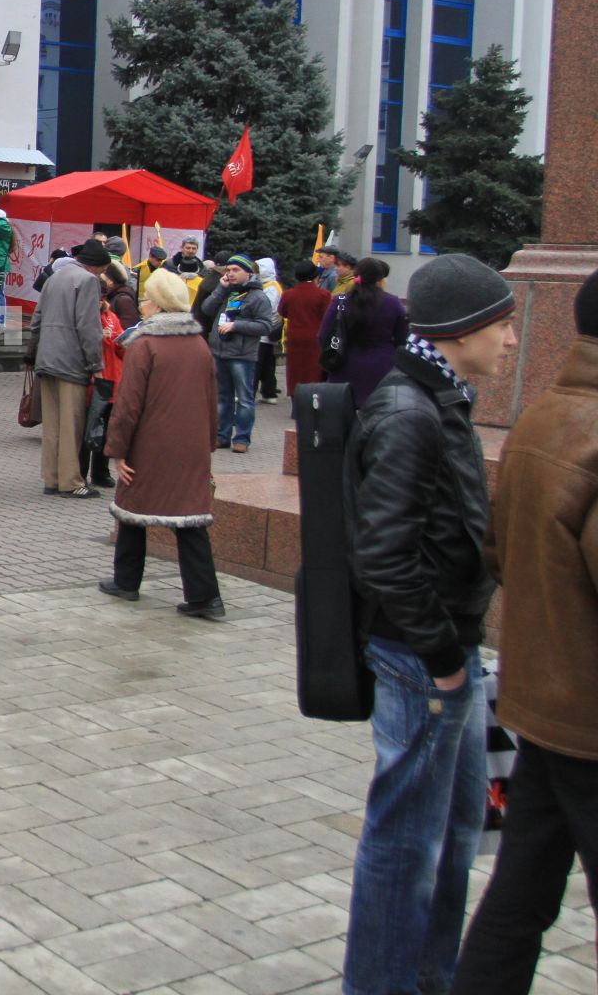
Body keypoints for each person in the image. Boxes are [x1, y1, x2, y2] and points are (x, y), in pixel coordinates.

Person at [342, 254, 518, 995]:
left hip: (447, 653)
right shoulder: (410, 410)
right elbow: (384, 554)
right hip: (423, 657)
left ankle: (425, 978)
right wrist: (445, 657)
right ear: (463, 331)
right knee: (405, 841)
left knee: (450, 837)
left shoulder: (436, 397)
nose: (511, 340)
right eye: (502, 325)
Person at [453, 267, 598, 991]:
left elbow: (499, 552)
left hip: (541, 704)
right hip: (589, 722)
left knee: (520, 895)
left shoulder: (544, 414)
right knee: (520, 893)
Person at [96, 267, 225, 619]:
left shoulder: (146, 344)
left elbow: (128, 403)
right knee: (190, 518)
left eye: (145, 298)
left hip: (150, 445)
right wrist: (209, 443)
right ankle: (205, 596)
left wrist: (117, 449)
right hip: (192, 444)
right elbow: (212, 399)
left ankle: (126, 581)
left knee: (132, 508)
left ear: (156, 304)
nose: (142, 304)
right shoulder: (199, 344)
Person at [29, 239, 108, 497]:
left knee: (51, 423)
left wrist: (36, 352)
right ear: (97, 267)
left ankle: (51, 478)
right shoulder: (88, 281)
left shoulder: (54, 278)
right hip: (71, 360)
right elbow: (88, 326)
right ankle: (71, 482)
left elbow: (36, 320)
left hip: (47, 358)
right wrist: (96, 363)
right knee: (71, 423)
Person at [199, 255, 276, 453]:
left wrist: (236, 325)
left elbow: (266, 325)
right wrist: (220, 288)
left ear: (248, 273)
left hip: (242, 355)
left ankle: (242, 437)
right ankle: (222, 435)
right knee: (222, 397)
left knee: (244, 399)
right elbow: (206, 309)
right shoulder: (226, 292)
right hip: (219, 351)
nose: (230, 274)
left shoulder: (257, 296)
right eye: (229, 270)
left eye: (235, 270)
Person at [320, 256, 408, 408]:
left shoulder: (340, 300)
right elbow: (403, 339)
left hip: (343, 367)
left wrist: (331, 355)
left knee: (341, 421)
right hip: (382, 369)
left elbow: (323, 335)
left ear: (356, 275)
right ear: (381, 279)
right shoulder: (393, 303)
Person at [78, 286, 127, 490]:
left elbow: (122, 349)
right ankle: (80, 473)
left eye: (101, 299)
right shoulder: (83, 318)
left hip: (112, 380)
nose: (99, 302)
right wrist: (98, 337)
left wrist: (121, 340)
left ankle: (100, 472)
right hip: (91, 380)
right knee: (87, 430)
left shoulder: (111, 316)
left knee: (106, 429)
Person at [276, 260, 332, 394]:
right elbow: (328, 317)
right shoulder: (323, 295)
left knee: (295, 370)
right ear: (314, 277)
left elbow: (283, 312)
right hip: (315, 337)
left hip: (294, 336)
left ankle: (296, 399)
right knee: (313, 370)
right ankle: (313, 400)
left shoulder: (288, 294)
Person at [254, 257, 284, 403]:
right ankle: (269, 392)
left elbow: (268, 307)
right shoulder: (268, 285)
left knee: (257, 364)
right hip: (267, 330)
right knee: (267, 364)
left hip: (264, 330)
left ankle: (250, 392)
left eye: (259, 269)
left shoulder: (272, 287)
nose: (257, 272)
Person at [103, 261, 140, 329]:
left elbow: (128, 328)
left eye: (102, 275)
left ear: (110, 280)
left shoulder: (123, 299)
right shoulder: (110, 295)